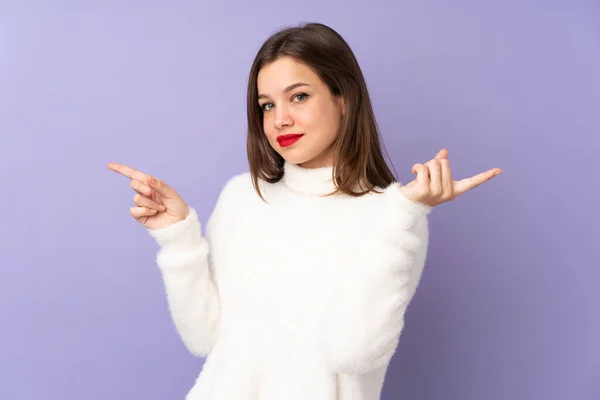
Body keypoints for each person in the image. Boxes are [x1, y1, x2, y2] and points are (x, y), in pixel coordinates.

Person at [107, 22, 501, 400]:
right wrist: (178, 238)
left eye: (299, 96)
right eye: (266, 105)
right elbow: (205, 337)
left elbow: (355, 351)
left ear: (343, 99)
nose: (280, 119)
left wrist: (402, 217)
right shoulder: (242, 196)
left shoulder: (391, 216)